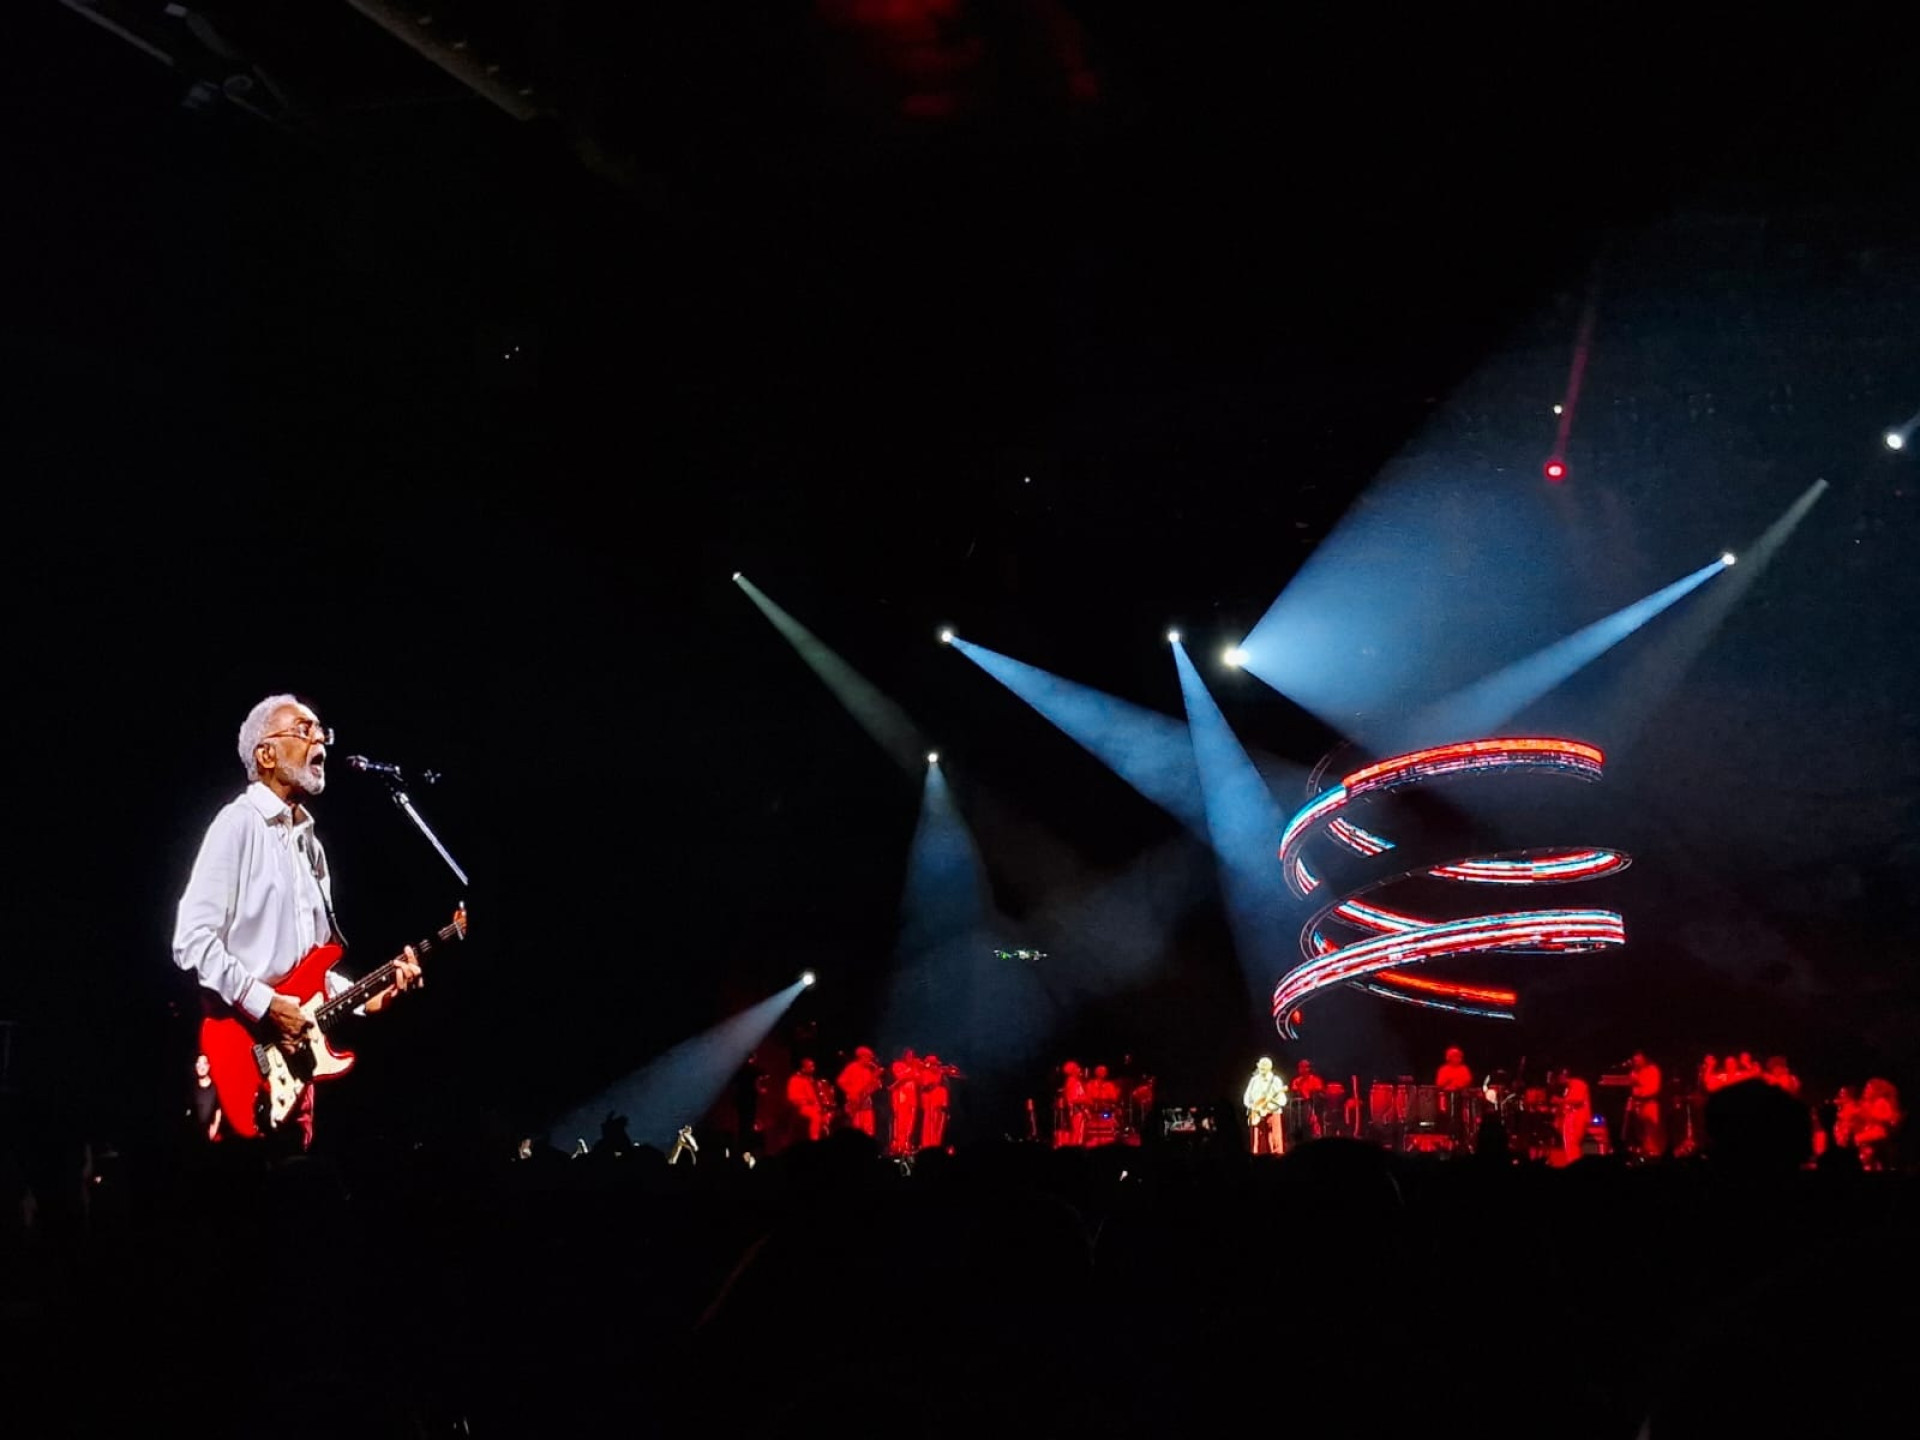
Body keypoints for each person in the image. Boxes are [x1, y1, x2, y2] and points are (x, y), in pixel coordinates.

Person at [172, 694, 421, 1153]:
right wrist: (266, 1004)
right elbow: (191, 940)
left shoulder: (312, 849)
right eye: (304, 730)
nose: (320, 739)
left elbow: (312, 968)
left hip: (296, 1074)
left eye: (322, 730)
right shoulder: (238, 824)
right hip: (242, 1056)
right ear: (265, 754)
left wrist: (369, 998)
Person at [1243, 1056, 1288, 1156]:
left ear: (1270, 1067)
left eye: (1265, 1066)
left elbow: (1283, 1100)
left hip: (1272, 1115)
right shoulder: (1254, 1080)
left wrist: (1270, 1103)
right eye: (1260, 1066)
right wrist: (1253, 1107)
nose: (1262, 1068)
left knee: (1275, 1142)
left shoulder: (1275, 1080)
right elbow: (1246, 1098)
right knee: (1258, 1143)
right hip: (1257, 1115)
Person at [836, 1046, 885, 1137]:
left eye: (871, 1058)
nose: (871, 1060)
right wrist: (851, 1092)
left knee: (869, 1128)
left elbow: (869, 1087)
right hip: (855, 1102)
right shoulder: (852, 1067)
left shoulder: (868, 1070)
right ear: (862, 1057)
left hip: (866, 1102)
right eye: (869, 1057)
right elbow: (840, 1081)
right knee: (857, 1128)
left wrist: (876, 1083)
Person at [1627, 1051, 1665, 1159]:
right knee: (1640, 1132)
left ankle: (1654, 1154)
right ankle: (1644, 1152)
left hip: (1650, 1104)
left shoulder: (1653, 1070)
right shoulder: (1634, 1072)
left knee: (1651, 1130)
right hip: (1638, 1105)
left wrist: (1640, 1090)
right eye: (1635, 1059)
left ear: (1644, 1058)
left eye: (1638, 1058)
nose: (1636, 1061)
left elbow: (1654, 1088)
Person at [1554, 1067, 1592, 1165]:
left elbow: (1577, 1100)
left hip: (1578, 1117)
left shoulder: (1579, 1084)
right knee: (1570, 1144)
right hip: (1572, 1117)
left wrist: (1560, 1101)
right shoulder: (1568, 1087)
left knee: (1572, 1144)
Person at [888, 1048, 921, 1156]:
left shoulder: (914, 1067)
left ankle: (907, 1144)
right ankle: (898, 1146)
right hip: (901, 1098)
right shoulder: (897, 1065)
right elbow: (901, 1077)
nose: (911, 1058)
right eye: (909, 1055)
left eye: (912, 1055)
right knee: (900, 1123)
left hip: (912, 1098)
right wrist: (913, 1068)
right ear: (903, 1056)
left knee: (910, 1123)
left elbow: (919, 1079)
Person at [784, 1058, 824, 1144]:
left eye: (813, 1066)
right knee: (815, 1115)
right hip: (801, 1107)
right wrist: (805, 1101)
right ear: (803, 1068)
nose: (813, 1068)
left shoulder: (810, 1080)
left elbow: (814, 1096)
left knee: (824, 1115)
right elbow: (791, 1097)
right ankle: (814, 1139)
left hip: (812, 1106)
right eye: (810, 1066)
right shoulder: (794, 1079)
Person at [919, 1055, 953, 1150]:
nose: (936, 1067)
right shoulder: (925, 1073)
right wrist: (939, 1075)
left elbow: (945, 1088)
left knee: (939, 1127)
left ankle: (936, 1146)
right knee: (929, 1126)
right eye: (933, 1064)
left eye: (936, 1064)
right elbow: (928, 1086)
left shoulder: (940, 1074)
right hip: (930, 1104)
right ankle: (928, 1146)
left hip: (940, 1104)